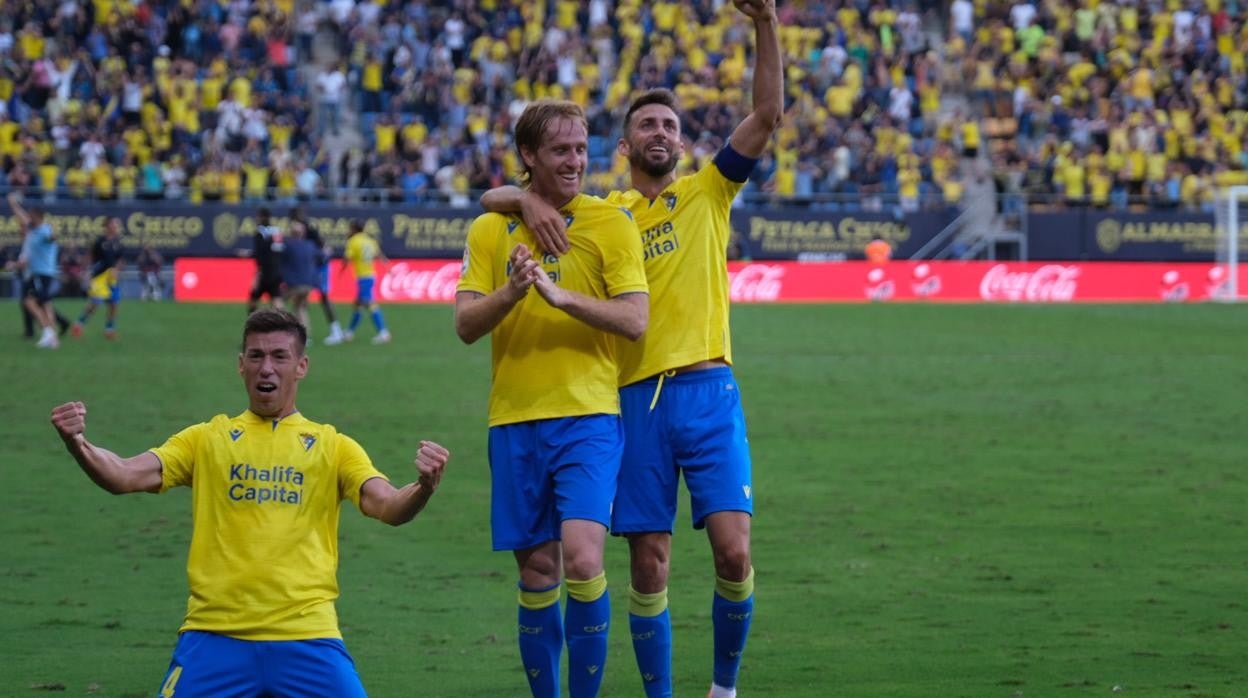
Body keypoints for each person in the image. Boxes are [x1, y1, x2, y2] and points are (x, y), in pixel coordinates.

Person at [480, 2, 782, 695]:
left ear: (682, 144)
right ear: (623, 145)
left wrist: (764, 21)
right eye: (646, 123)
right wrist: (526, 203)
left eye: (671, 125)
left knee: (735, 552)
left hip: (708, 392)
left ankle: (724, 688)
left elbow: (766, 116)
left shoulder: (710, 192)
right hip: (633, 400)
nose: (660, 132)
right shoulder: (603, 213)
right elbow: (495, 192)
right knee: (649, 564)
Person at [48, 308, 450, 697]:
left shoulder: (334, 446)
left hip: (307, 635)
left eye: (279, 356)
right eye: (256, 356)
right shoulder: (206, 439)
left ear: (302, 366)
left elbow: (389, 507)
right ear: (241, 365)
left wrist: (423, 488)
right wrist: (78, 444)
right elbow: (122, 475)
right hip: (214, 635)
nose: (266, 368)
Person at [455, 99, 649, 698]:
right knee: (538, 572)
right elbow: (465, 324)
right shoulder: (490, 229)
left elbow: (635, 320)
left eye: (580, 149)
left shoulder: (611, 223)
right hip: (514, 419)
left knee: (585, 561)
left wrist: (564, 300)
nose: (574, 161)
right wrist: (512, 293)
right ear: (529, 156)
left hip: (589, 414)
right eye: (560, 150)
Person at [10, 192, 65, 349]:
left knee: (29, 301)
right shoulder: (33, 230)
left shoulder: (44, 230)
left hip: (42, 272)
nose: (28, 218)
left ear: (37, 216)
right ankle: (52, 337)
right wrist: (13, 204)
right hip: (38, 273)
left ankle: (48, 332)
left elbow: (51, 238)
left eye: (31, 216)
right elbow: (21, 217)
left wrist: (54, 236)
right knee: (45, 303)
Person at [292, 206, 346, 344]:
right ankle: (305, 334)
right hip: (312, 267)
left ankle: (336, 331)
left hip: (320, 267)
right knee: (303, 298)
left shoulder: (309, 230)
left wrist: (321, 258)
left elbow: (324, 248)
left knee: (323, 297)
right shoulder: (304, 231)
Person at [72, 217, 126, 339]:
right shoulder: (99, 241)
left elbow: (120, 260)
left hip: (111, 278)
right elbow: (89, 256)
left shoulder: (119, 243)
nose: (117, 227)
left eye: (118, 225)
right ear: (107, 226)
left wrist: (117, 269)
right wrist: (84, 272)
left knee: (114, 303)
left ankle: (109, 329)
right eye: (115, 224)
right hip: (99, 276)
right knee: (95, 302)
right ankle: (78, 324)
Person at [340, 219, 390, 344]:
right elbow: (379, 255)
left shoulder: (353, 241)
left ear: (354, 229)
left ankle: (383, 332)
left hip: (364, 277)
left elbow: (347, 258)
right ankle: (349, 332)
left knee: (370, 304)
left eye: (350, 228)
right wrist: (388, 267)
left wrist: (341, 269)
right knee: (358, 305)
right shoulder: (370, 240)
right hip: (371, 275)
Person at [279, 219, 321, 332]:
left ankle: (282, 328)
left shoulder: (287, 245)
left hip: (294, 284)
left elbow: (281, 261)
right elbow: (321, 256)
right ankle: (305, 336)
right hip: (308, 284)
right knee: (300, 307)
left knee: (278, 302)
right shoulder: (310, 245)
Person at [246, 207, 284, 314]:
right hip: (277, 271)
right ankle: (284, 325)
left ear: (262, 217)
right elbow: (280, 251)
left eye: (258, 216)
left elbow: (260, 254)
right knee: (277, 302)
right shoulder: (276, 232)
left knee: (253, 301)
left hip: (265, 272)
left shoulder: (260, 232)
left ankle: (253, 325)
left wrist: (258, 273)